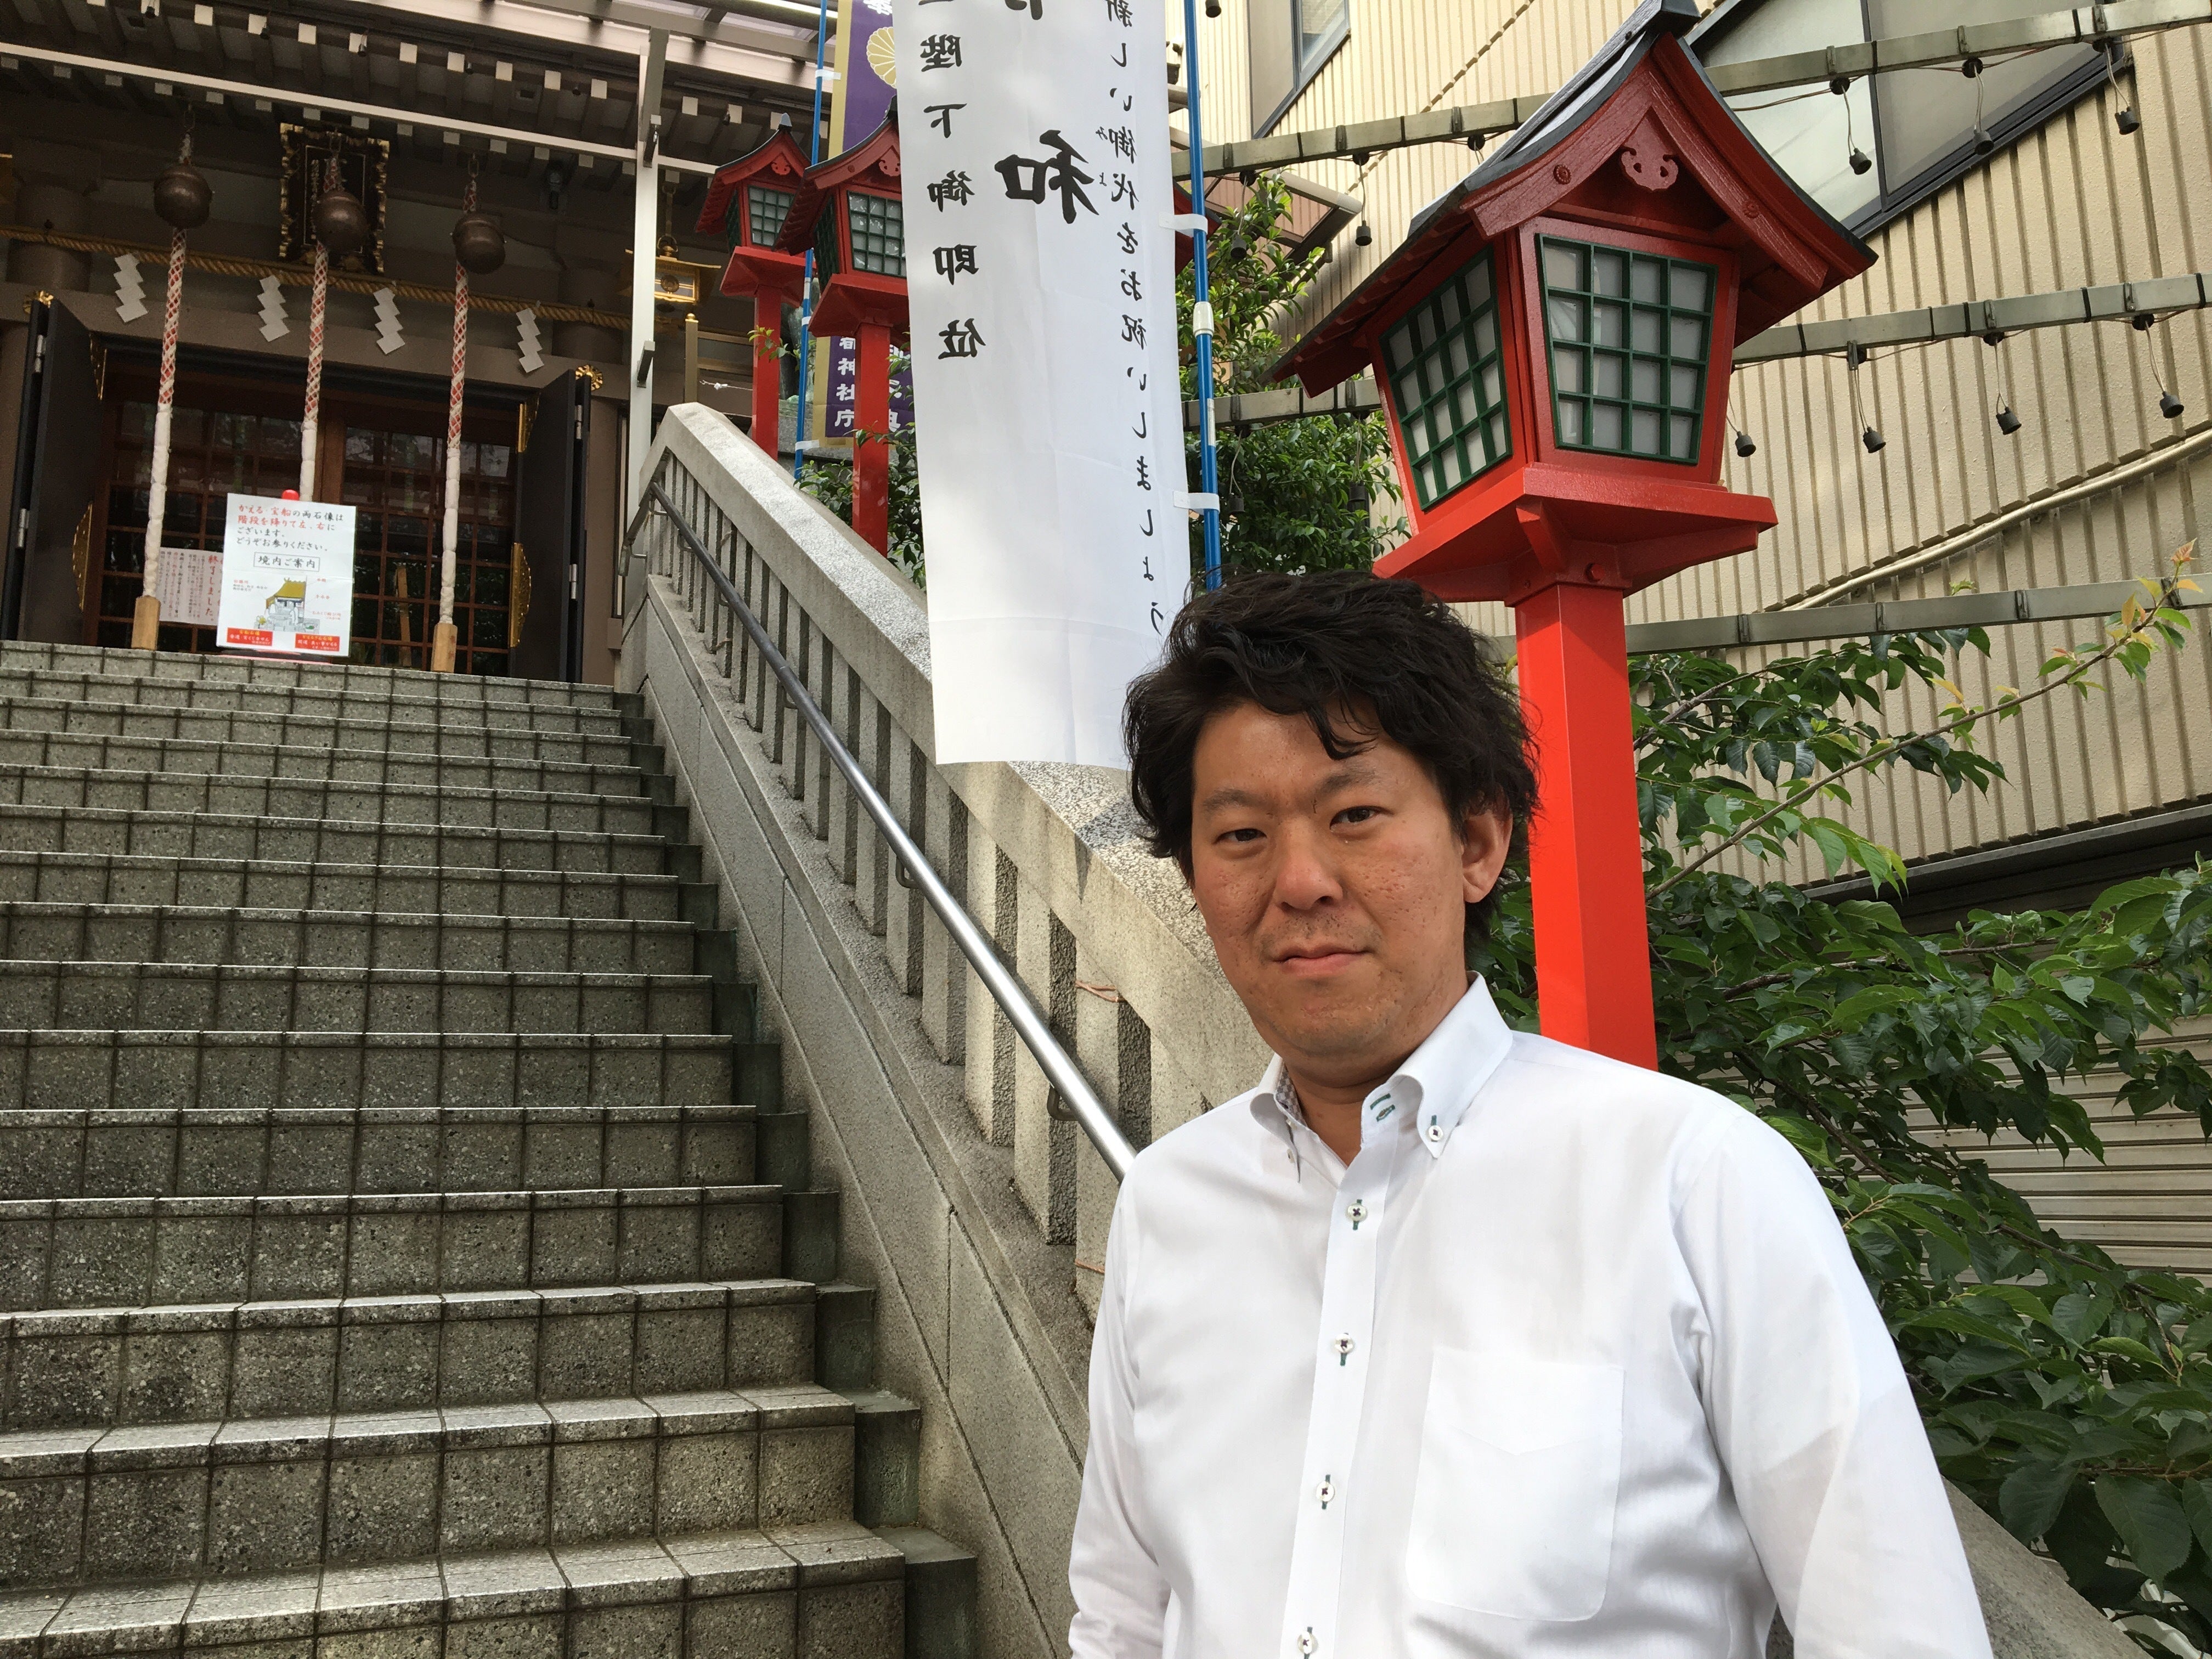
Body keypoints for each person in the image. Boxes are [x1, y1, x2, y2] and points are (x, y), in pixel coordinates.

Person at [1066, 571, 1991, 1659]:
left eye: (1354, 815)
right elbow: (1122, 1617)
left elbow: (1898, 1629)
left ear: (1477, 843)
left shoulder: (1695, 1181)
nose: (1300, 880)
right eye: (1238, 835)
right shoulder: (1169, 1205)